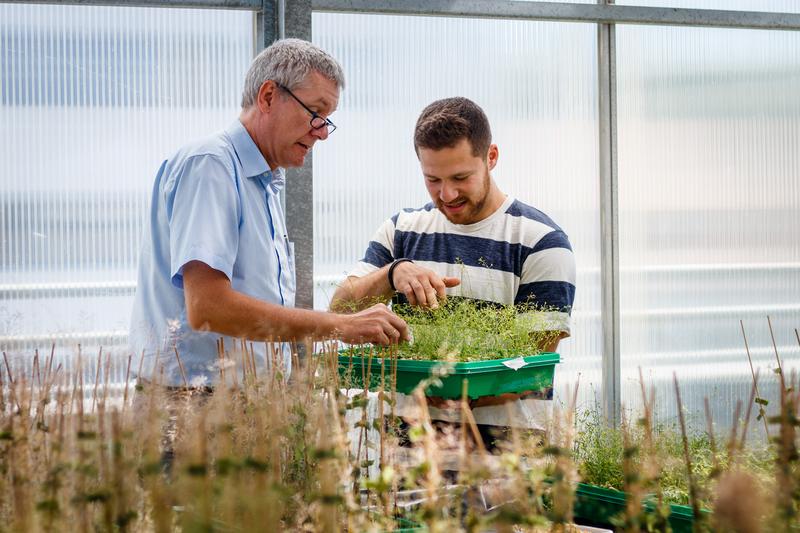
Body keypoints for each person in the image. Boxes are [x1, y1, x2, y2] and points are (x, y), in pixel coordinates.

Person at [130, 38, 408, 387]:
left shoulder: (263, 182)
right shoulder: (211, 166)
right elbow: (208, 307)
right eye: (316, 114)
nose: (322, 133)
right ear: (268, 97)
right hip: (194, 403)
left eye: (328, 120)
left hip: (243, 402)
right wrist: (340, 325)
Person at [330, 97, 576, 436]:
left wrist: (440, 386)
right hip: (405, 458)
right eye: (432, 179)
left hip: (504, 465)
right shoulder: (402, 230)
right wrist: (392, 274)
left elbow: (529, 371)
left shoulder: (541, 242)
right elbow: (339, 311)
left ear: (491, 157)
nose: (447, 194)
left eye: (461, 177)